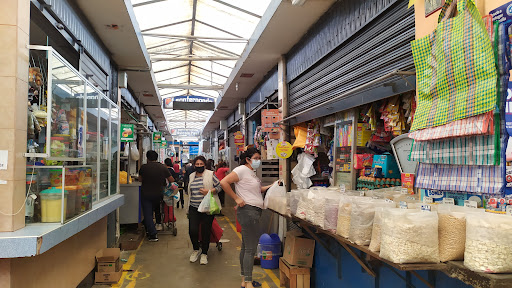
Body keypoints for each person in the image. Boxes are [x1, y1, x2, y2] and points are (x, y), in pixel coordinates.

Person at [220, 148, 273, 288]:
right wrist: (237, 198)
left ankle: (244, 280)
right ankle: (248, 283)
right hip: (249, 211)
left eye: (259, 157)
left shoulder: (251, 173)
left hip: (252, 211)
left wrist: (272, 186)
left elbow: (257, 190)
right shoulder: (241, 170)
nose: (258, 160)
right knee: (250, 249)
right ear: (248, 159)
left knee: (245, 247)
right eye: (256, 157)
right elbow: (224, 182)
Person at [186, 156, 222, 265]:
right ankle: (196, 249)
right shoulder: (191, 176)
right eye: (197, 164)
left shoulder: (210, 175)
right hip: (193, 207)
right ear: (194, 166)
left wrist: (209, 191)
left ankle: (204, 253)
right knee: (193, 230)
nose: (199, 166)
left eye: (201, 164)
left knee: (206, 231)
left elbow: (220, 187)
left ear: (205, 165)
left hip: (207, 208)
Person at [138, 150, 174, 242]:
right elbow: (171, 180)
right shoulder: (162, 167)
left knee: (148, 214)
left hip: (146, 194)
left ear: (147, 158)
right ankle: (158, 224)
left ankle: (153, 234)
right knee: (158, 210)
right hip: (159, 194)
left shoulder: (143, 167)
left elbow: (140, 179)